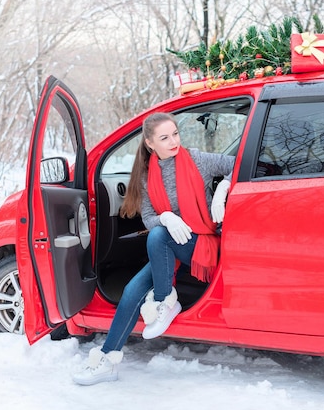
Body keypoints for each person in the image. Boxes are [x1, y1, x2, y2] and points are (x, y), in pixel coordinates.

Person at [72, 112, 234, 386]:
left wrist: (224, 188)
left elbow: (241, 163)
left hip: (202, 242)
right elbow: (148, 217)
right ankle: (108, 358)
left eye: (175, 134)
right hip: (174, 244)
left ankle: (164, 300)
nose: (173, 141)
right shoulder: (148, 177)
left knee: (158, 236)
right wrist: (167, 217)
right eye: (164, 137)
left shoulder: (197, 159)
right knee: (133, 290)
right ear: (150, 144)